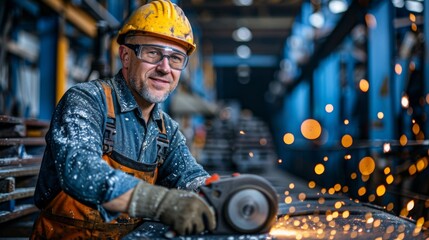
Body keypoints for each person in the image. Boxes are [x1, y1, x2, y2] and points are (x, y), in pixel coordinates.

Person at [31, 0, 216, 239]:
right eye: (153, 53)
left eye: (176, 58)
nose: (165, 68)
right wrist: (161, 203)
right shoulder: (86, 100)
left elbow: (190, 178)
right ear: (126, 56)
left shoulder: (166, 130)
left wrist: (217, 194)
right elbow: (81, 171)